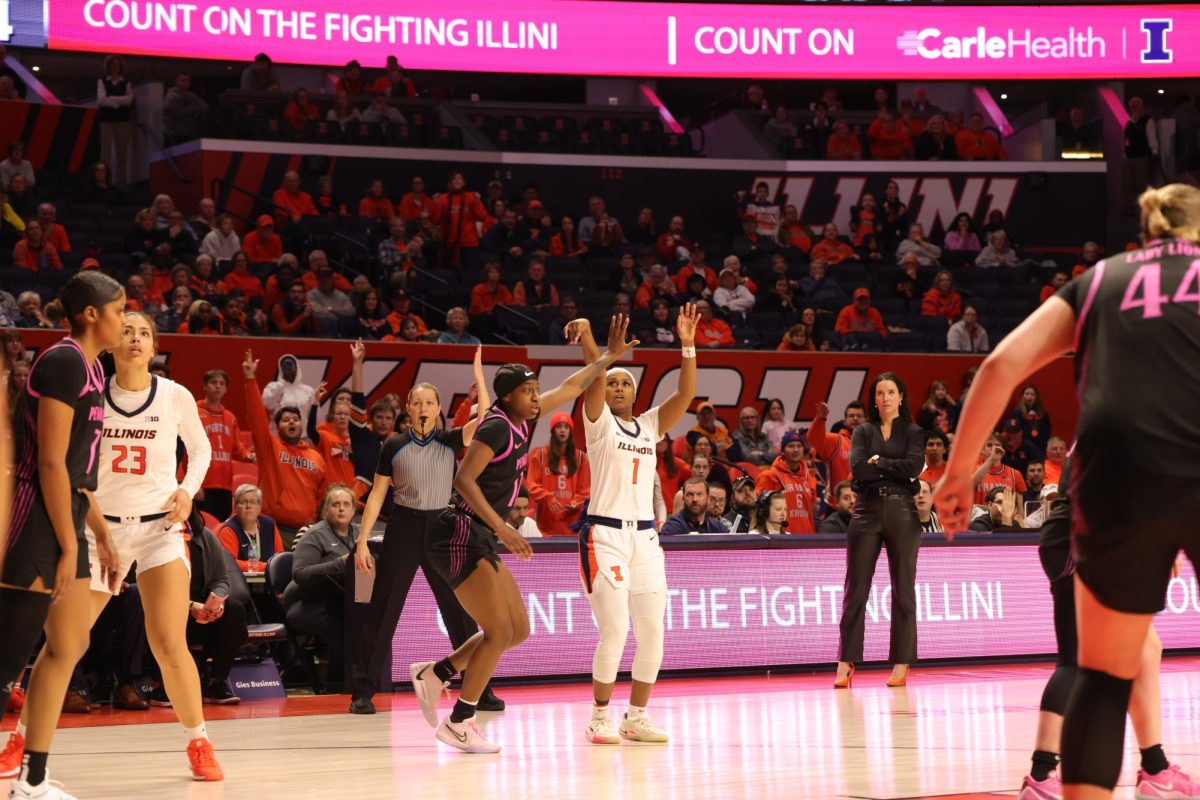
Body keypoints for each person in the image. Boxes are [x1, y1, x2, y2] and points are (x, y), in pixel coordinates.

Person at [933, 184, 1200, 800]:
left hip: (1115, 470)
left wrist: (956, 473)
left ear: (1148, 235)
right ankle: (1149, 767)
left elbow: (1001, 364)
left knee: (1103, 678)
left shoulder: (1101, 280)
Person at [410, 319, 635, 753]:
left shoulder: (523, 419)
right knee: (497, 631)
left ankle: (436, 673)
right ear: (508, 396)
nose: (537, 398)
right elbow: (463, 478)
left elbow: (570, 387)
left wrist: (608, 357)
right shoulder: (495, 425)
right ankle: (460, 721)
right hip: (458, 531)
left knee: (517, 630)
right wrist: (503, 528)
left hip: (477, 533)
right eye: (529, 392)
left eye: (536, 391)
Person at [0, 273, 125, 798]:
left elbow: (77, 474)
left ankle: (32, 777)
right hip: (33, 521)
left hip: (69, 518)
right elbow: (50, 463)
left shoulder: (94, 367)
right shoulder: (64, 361)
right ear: (92, 314)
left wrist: (101, 536)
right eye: (120, 309)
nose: (126, 319)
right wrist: (70, 543)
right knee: (6, 661)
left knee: (69, 643)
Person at [565, 303, 697, 741]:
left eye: (626, 383)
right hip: (604, 535)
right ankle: (600, 715)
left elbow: (683, 396)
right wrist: (596, 346)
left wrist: (688, 347)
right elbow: (594, 378)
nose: (618, 387)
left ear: (636, 394)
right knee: (615, 631)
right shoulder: (599, 424)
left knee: (653, 632)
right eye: (613, 382)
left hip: (645, 540)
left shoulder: (649, 426)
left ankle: (636, 716)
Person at [835, 372, 924, 690]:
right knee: (855, 588)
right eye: (880, 392)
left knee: (903, 589)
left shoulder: (913, 432)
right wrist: (892, 465)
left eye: (891, 392)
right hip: (866, 510)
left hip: (902, 511)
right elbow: (858, 468)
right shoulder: (863, 431)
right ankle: (845, 660)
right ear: (874, 399)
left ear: (901, 396)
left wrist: (880, 462)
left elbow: (914, 466)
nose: (885, 397)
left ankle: (901, 662)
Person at [242, 350, 328, 548]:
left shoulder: (316, 458)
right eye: (286, 419)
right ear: (277, 426)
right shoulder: (270, 447)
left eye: (296, 419)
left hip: (307, 532)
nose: (292, 422)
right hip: (273, 528)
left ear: (302, 424)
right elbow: (257, 417)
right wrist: (250, 379)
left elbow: (321, 497)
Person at [282, 485, 358, 691]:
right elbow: (300, 574)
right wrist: (339, 563)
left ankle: (365, 682)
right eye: (335, 504)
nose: (341, 509)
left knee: (366, 623)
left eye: (346, 504)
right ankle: (335, 686)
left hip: (342, 599)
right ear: (326, 510)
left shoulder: (360, 533)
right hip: (306, 601)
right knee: (342, 627)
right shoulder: (315, 535)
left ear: (353, 510)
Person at [196, 369, 252, 520]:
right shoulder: (194, 413)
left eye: (221, 383)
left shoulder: (230, 417)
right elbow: (187, 451)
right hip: (203, 485)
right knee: (203, 528)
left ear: (226, 389)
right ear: (205, 386)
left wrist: (250, 456)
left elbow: (238, 449)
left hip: (224, 486)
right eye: (213, 382)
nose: (217, 386)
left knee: (220, 528)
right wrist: (194, 483)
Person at [525, 412, 590, 537]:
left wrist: (576, 502)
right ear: (552, 430)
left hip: (572, 527)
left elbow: (585, 491)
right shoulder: (540, 455)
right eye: (559, 426)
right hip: (546, 526)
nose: (562, 430)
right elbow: (532, 485)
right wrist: (548, 498)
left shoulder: (581, 458)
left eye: (566, 427)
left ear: (570, 431)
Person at [755, 430, 816, 534]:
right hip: (782, 537)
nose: (796, 449)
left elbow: (812, 507)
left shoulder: (808, 476)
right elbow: (759, 510)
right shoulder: (769, 476)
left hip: (807, 535)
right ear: (782, 451)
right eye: (791, 446)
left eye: (799, 446)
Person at [215, 484, 282, 572]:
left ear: (260, 506)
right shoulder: (228, 530)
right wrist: (265, 567)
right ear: (235, 507)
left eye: (253, 502)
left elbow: (279, 557)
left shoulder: (269, 525)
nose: (248, 506)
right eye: (243, 502)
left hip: (269, 581)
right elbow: (229, 563)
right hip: (239, 582)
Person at [98, 55, 134, 186]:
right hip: (106, 121)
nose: (115, 67)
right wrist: (119, 102)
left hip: (122, 121)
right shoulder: (102, 81)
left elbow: (129, 100)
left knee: (122, 154)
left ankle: (121, 184)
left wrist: (111, 99)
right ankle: (104, 182)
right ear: (108, 66)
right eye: (112, 64)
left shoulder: (126, 82)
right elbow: (101, 100)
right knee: (105, 154)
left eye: (117, 64)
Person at [262, 353, 316, 435]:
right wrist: (282, 383)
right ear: (281, 369)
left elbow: (315, 418)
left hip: (302, 438)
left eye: (290, 364)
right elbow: (268, 405)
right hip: (278, 438)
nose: (288, 368)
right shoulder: (273, 387)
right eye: (285, 366)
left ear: (297, 367)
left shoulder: (308, 391)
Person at [662, 478, 729, 536]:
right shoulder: (672, 526)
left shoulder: (718, 527)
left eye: (699, 494)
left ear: (708, 498)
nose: (695, 499)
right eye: (690, 494)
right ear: (683, 498)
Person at [163, 73, 209, 143]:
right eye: (182, 80)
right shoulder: (171, 95)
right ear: (176, 81)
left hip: (188, 134)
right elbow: (179, 112)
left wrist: (191, 109)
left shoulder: (190, 95)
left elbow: (205, 107)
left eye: (186, 81)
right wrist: (195, 110)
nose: (184, 83)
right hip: (173, 134)